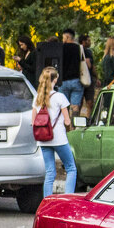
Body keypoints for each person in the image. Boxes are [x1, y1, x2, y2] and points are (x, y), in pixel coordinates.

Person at [33, 66, 76, 197]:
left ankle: (46, 201)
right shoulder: (60, 97)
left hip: (43, 139)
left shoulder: (37, 98)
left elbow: (33, 121)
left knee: (50, 172)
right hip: (58, 138)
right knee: (71, 168)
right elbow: (67, 121)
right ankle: (68, 198)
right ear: (55, 80)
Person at [57, 29, 85, 116]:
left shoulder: (60, 48)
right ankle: (74, 126)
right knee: (75, 107)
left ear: (67, 37)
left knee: (64, 107)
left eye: (63, 37)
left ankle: (66, 127)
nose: (62, 39)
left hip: (64, 81)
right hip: (76, 80)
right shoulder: (79, 48)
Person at [78, 34, 96, 116]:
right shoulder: (88, 51)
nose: (90, 42)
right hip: (88, 78)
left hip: (79, 78)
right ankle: (88, 118)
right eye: (88, 40)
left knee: (79, 102)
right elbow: (90, 65)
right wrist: (96, 76)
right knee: (89, 102)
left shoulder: (77, 50)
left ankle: (77, 118)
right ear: (83, 41)